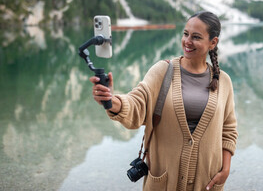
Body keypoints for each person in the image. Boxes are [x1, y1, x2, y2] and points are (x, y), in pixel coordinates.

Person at [90, 11, 238, 191]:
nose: (187, 41)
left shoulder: (224, 81)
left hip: (206, 182)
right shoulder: (163, 71)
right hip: (164, 182)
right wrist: (113, 101)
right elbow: (138, 103)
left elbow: (228, 129)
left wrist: (226, 169)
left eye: (196, 37)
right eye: (185, 34)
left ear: (213, 42)